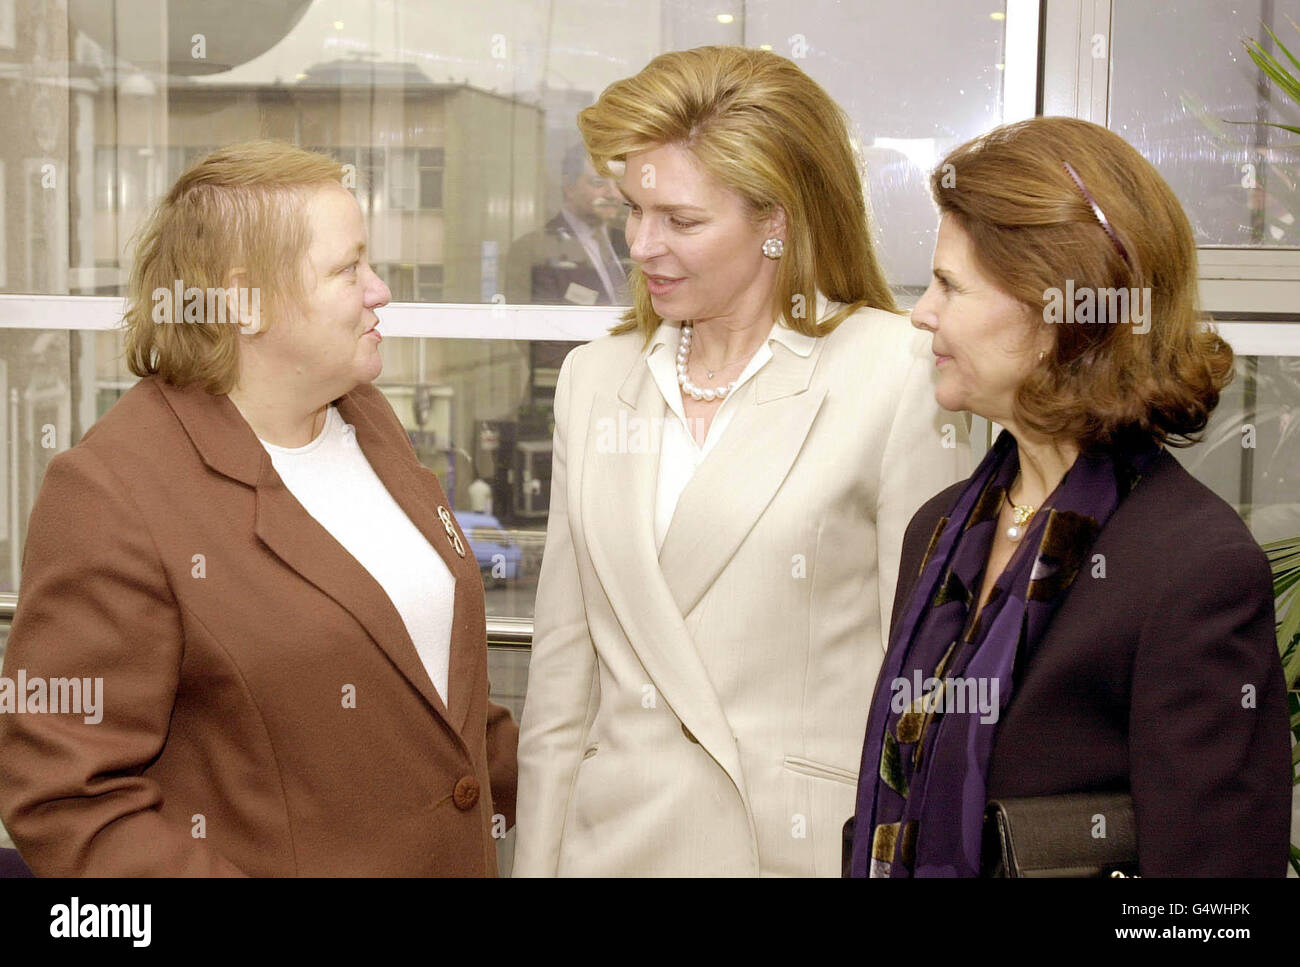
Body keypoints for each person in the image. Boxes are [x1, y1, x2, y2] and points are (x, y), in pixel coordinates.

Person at [0, 141, 518, 876]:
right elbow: (66, 799)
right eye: (348, 269)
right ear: (244, 302)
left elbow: (432, 689)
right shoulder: (114, 492)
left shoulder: (366, 419)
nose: (379, 290)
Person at [513, 46, 970, 877]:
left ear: (776, 222)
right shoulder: (593, 380)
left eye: (682, 221)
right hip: (610, 850)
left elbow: (925, 686)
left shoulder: (896, 371)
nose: (642, 246)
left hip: (794, 852)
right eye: (631, 210)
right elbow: (559, 687)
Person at [848, 116, 1292, 877]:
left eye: (949, 285)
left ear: (1058, 314)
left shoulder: (1194, 567)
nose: (920, 313)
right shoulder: (941, 528)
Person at [505, 142, 631, 307]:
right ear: (569, 188)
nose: (613, 194)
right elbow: (531, 324)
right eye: (599, 183)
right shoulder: (532, 250)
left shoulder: (630, 241)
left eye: (618, 184)